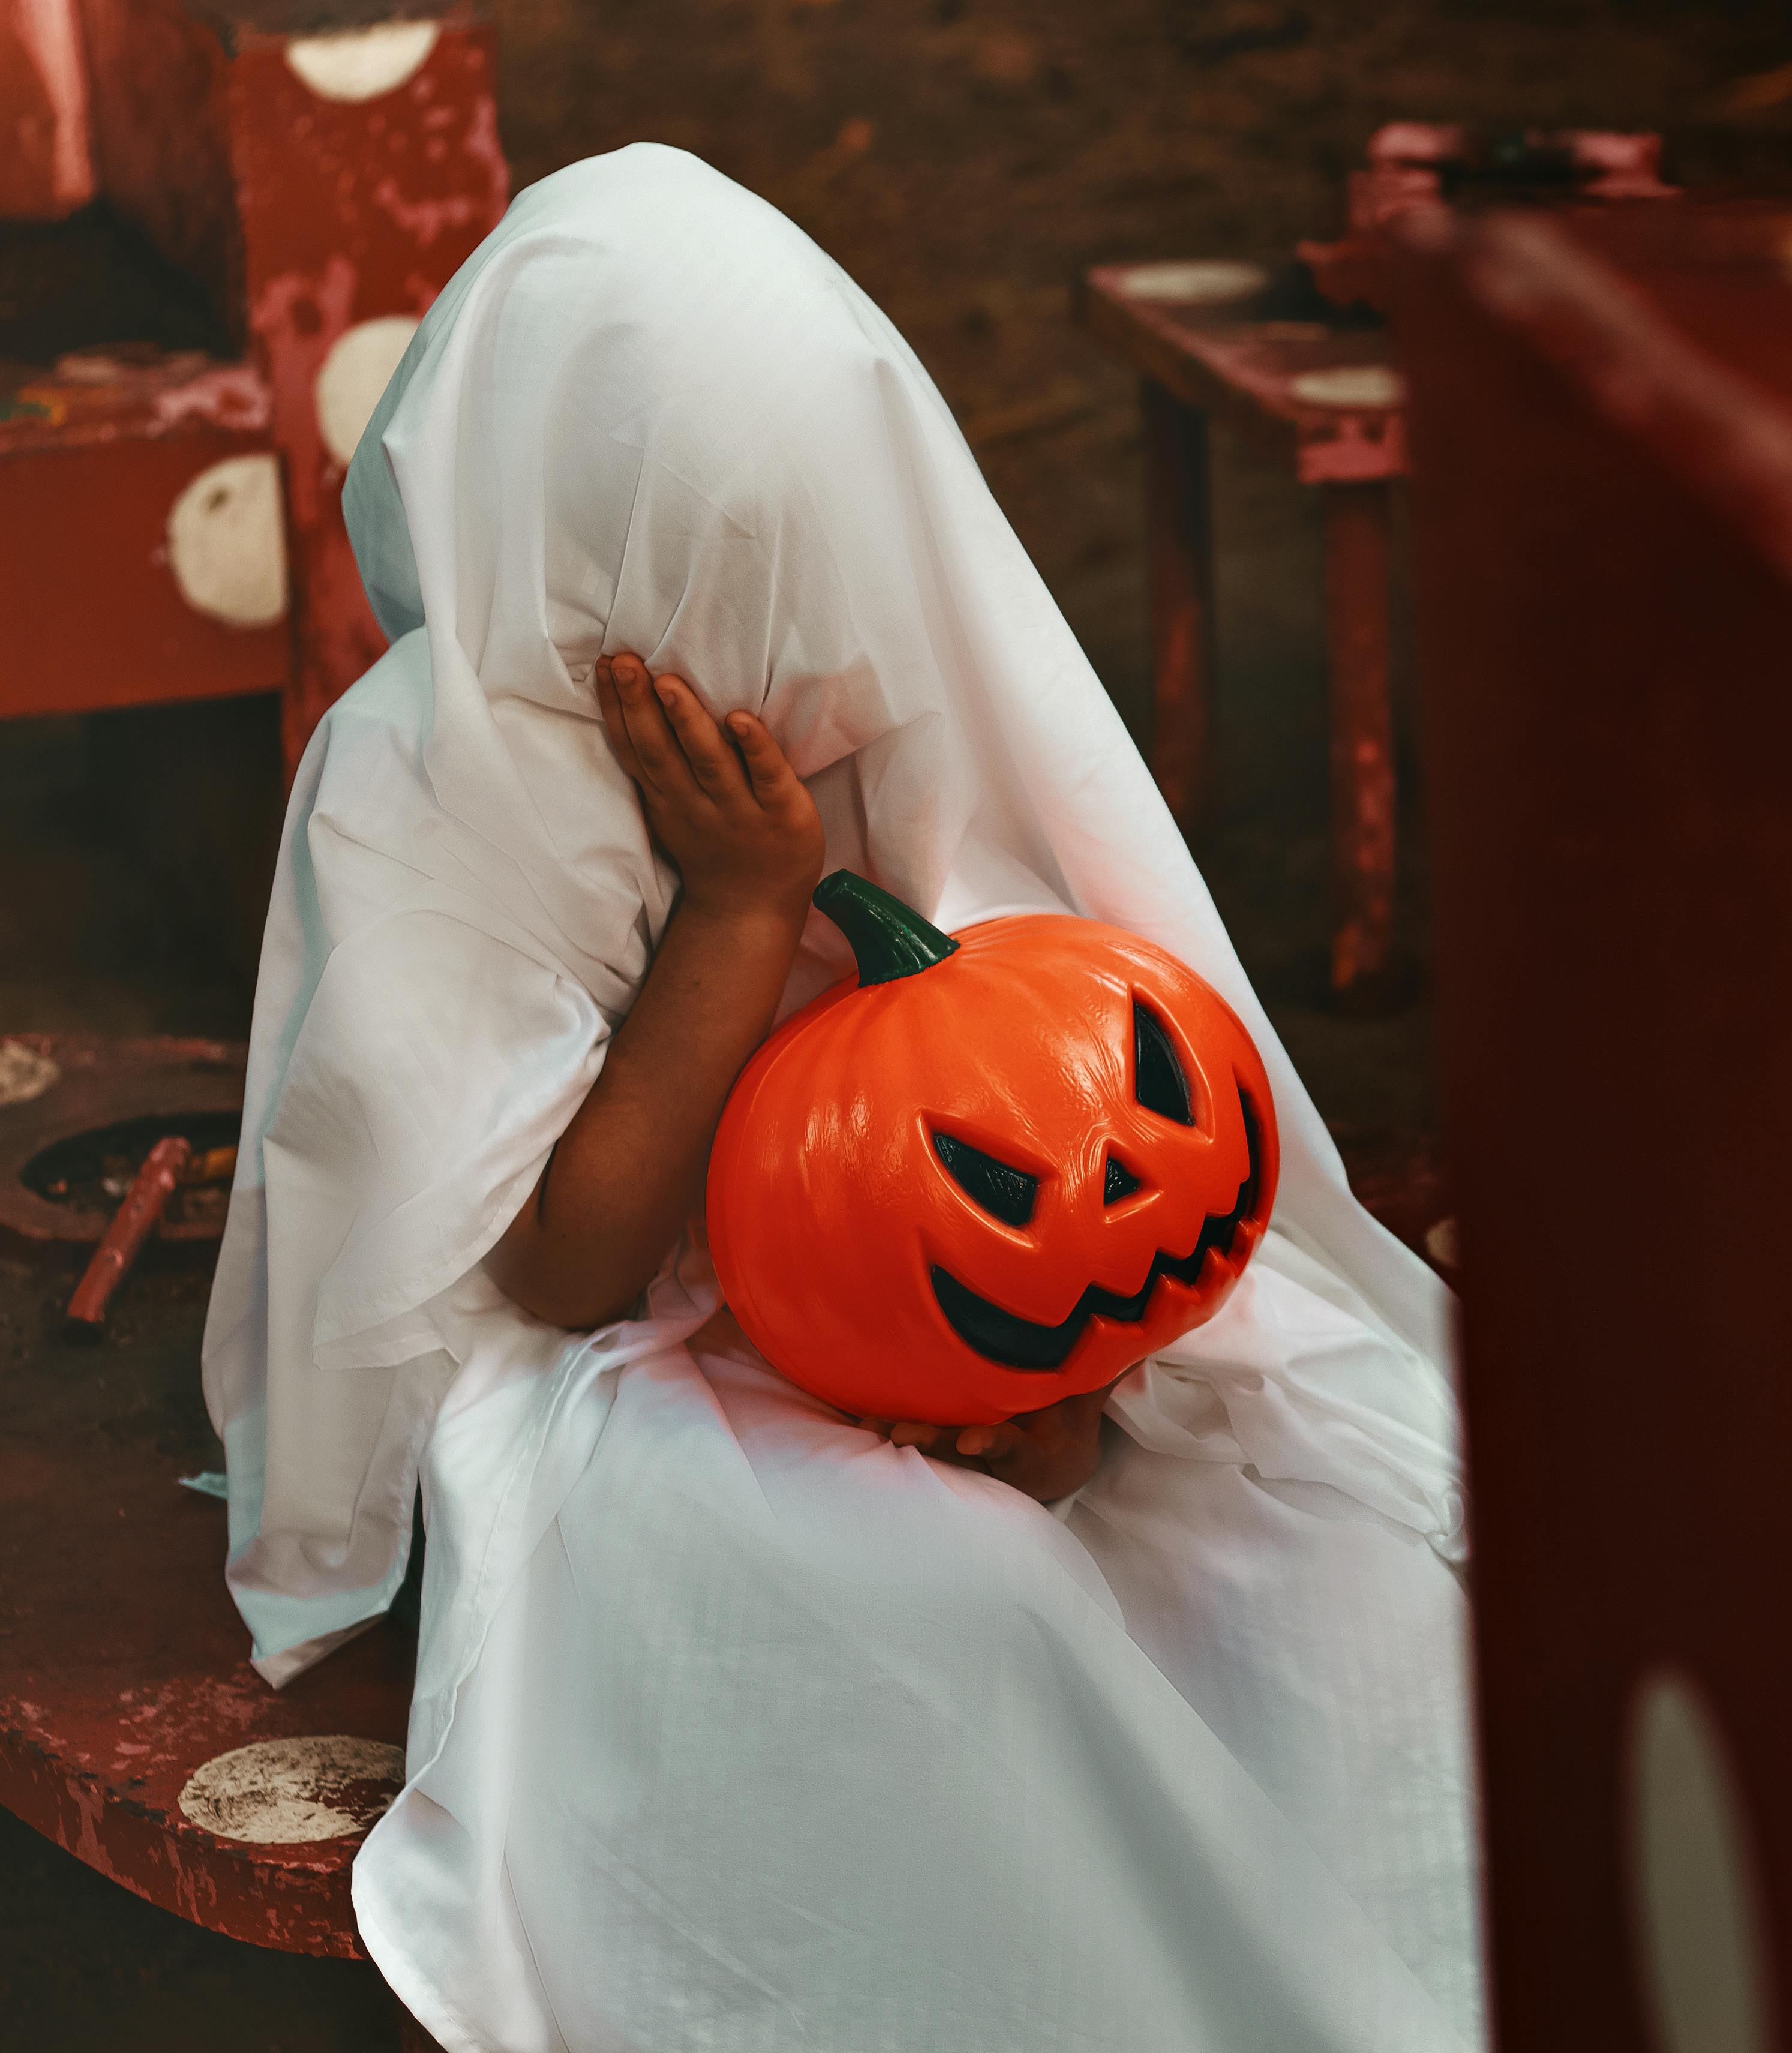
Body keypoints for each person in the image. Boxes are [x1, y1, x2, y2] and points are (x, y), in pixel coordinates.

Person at [204, 143, 1481, 2052]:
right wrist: (741, 906)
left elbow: (1043, 1099)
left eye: (819, 566)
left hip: (932, 1319)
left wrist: (1040, 1392)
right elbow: (560, 1270)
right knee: (964, 1621)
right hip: (632, 1365)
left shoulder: (871, 672)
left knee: (1349, 1550)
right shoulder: (433, 795)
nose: (793, 646)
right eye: (721, 579)